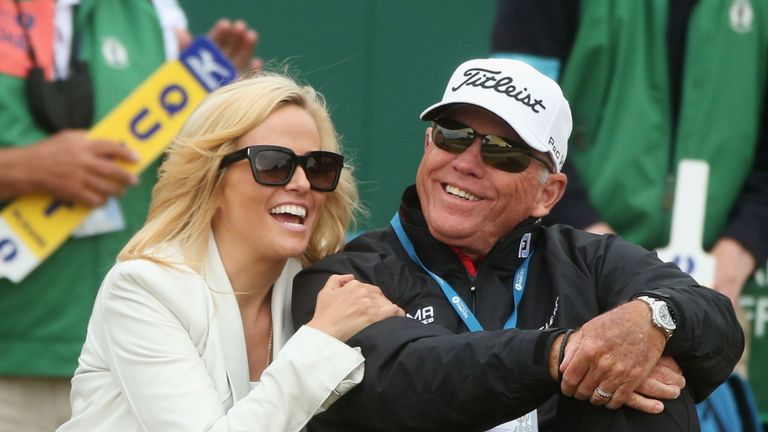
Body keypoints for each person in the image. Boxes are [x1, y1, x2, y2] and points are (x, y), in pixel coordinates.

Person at [291, 58, 744, 431]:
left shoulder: (589, 260)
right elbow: (401, 377)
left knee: (645, 382)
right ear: (427, 145)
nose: (467, 163)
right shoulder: (347, 274)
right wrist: (563, 355)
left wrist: (652, 319)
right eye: (453, 135)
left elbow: (713, 317)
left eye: (502, 151)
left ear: (548, 193)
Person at [54, 72, 404, 431]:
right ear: (212, 178)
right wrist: (322, 339)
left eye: (317, 166)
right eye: (273, 164)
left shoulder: (319, 290)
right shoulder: (143, 289)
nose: (301, 184)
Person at [0, 2, 262, 430]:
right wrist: (24, 169)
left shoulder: (155, 13)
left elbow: (186, 170)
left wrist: (225, 116)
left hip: (135, 363)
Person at [490, 0, 768, 366]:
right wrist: (604, 261)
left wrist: (734, 257)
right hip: (568, 271)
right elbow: (514, 125)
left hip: (716, 288)